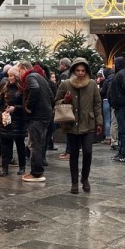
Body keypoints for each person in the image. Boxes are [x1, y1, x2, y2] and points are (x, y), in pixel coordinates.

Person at [54, 57, 103, 194]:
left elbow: (97, 104)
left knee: (88, 152)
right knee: (73, 154)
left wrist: (99, 121)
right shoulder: (66, 84)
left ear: (86, 71)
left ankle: (85, 178)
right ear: (73, 71)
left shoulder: (92, 84)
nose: (80, 73)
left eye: (83, 70)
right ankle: (74, 182)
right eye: (78, 70)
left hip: (88, 123)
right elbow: (57, 102)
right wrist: (65, 100)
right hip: (71, 123)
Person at [20, 61, 53, 182]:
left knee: (35, 145)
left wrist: (29, 105)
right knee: (39, 143)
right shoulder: (40, 76)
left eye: (19, 71)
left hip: (37, 116)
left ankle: (36, 173)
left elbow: (35, 88)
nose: (20, 74)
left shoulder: (30, 77)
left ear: (24, 68)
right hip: (45, 115)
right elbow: (50, 94)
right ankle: (37, 171)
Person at [0, 69, 27, 176]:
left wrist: (15, 108)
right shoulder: (5, 88)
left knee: (20, 145)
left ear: (16, 77)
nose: (9, 78)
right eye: (8, 75)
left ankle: (22, 166)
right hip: (6, 121)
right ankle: (5, 168)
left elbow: (26, 106)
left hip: (18, 121)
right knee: (5, 146)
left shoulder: (22, 89)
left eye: (11, 76)